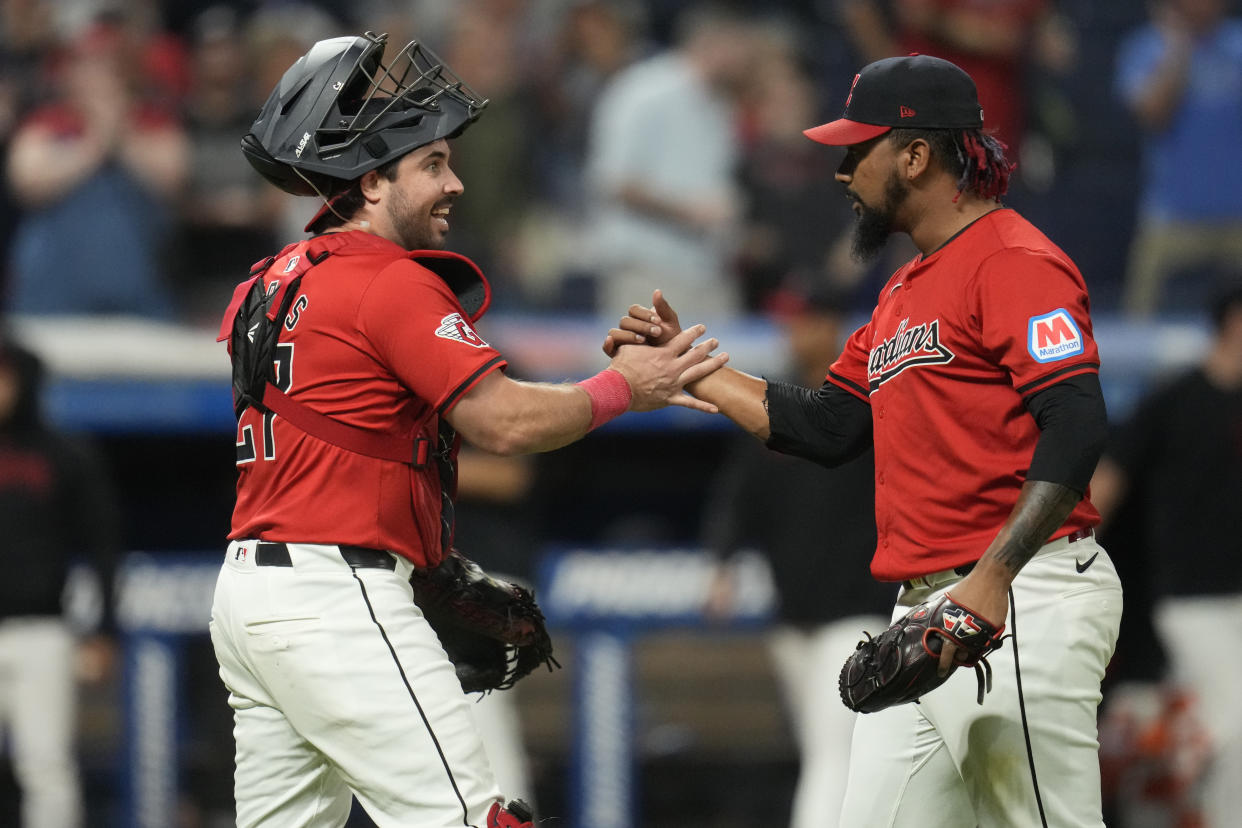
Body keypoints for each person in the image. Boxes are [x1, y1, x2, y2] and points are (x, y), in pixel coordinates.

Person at [207, 31, 727, 828]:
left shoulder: (272, 278)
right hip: (335, 594)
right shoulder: (387, 280)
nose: (454, 184)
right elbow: (507, 421)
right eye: (433, 165)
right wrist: (627, 387)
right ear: (372, 181)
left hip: (253, 595)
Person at [607, 54, 1123, 827]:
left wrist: (992, 579)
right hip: (924, 614)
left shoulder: (1015, 261)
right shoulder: (903, 291)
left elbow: (1077, 423)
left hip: (1022, 599)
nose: (843, 171)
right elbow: (826, 426)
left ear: (914, 155)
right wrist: (691, 371)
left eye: (858, 149)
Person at [699, 285, 891, 828]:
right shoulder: (773, 405)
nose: (796, 333)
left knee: (833, 750)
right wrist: (722, 563)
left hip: (859, 609)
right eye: (791, 323)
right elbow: (737, 497)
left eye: (806, 321)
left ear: (833, 326)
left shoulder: (868, 403)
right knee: (826, 748)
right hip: (793, 615)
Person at [1090, 276, 1242, 827]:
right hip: (1191, 598)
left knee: (1212, 730)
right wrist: (1063, 560)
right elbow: (1109, 483)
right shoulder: (1175, 401)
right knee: (1232, 724)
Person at [0, 331, 119, 828]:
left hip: (43, 631)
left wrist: (105, 628)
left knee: (46, 765)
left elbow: (103, 544)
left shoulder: (64, 454)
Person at [582, 2, 755, 317]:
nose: (747, 57)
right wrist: (689, 211)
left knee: (722, 365)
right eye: (741, 44)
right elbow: (613, 182)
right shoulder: (643, 90)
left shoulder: (721, 105)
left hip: (708, 272)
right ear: (715, 41)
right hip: (645, 272)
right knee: (644, 367)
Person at [1114, 0, 1242, 315]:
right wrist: (1178, 50)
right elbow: (1153, 114)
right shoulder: (1146, 47)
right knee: (1139, 315)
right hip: (1172, 213)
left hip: (1237, 212)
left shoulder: (1238, 43)